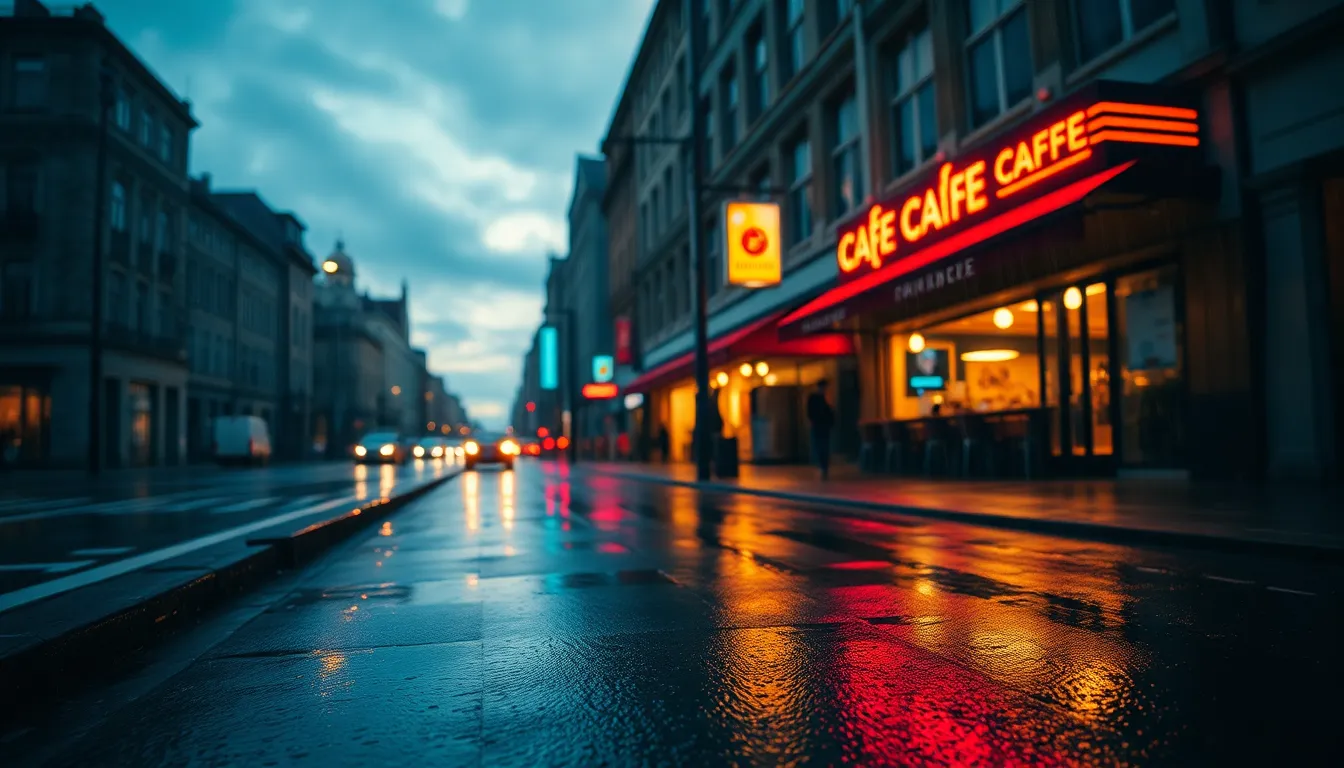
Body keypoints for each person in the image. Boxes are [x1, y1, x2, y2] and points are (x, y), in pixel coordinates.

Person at [806, 380, 835, 480]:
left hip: (823, 426)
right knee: (821, 446)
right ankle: (822, 466)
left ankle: (824, 466)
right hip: (819, 425)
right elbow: (811, 412)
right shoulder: (816, 398)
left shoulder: (824, 398)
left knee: (824, 446)